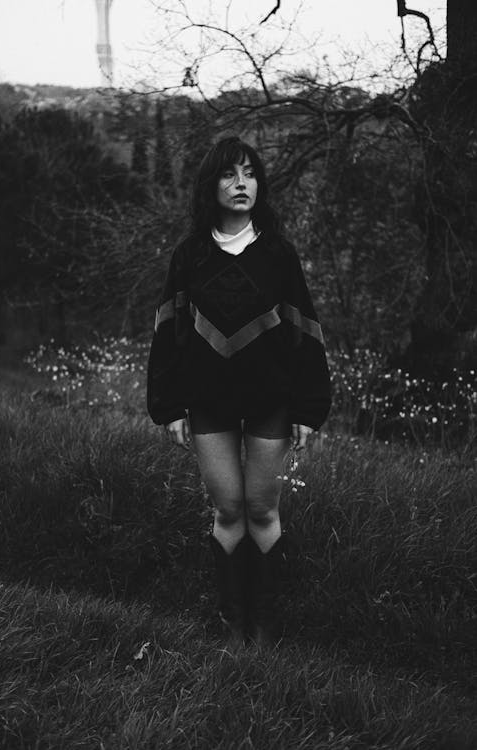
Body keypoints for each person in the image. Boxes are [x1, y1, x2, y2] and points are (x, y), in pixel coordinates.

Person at [146, 136, 331, 647]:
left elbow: (305, 332)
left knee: (262, 509)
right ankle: (233, 626)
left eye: (250, 173)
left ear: (260, 185)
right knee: (228, 510)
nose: (242, 183)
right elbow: (168, 333)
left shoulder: (278, 254)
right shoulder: (190, 256)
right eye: (230, 174)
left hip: (271, 399)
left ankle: (265, 627)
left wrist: (309, 409)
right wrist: (168, 407)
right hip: (208, 401)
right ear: (213, 185)